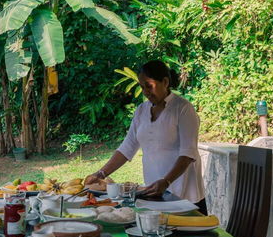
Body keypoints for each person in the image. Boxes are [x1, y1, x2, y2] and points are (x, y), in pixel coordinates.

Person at [85, 60, 207, 214]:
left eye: (149, 85)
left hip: (184, 194)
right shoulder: (141, 111)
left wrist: (166, 181)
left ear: (165, 82)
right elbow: (127, 147)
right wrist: (100, 174)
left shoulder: (183, 109)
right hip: (154, 192)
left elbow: (188, 153)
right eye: (142, 87)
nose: (145, 91)